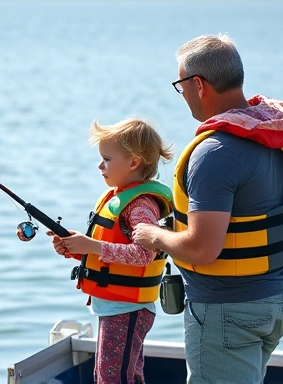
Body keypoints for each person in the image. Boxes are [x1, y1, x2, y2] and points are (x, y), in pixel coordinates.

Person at [132, 33, 283, 384]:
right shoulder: (270, 133)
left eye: (181, 86)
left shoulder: (214, 154)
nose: (183, 96)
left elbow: (202, 248)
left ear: (198, 84)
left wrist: (154, 235)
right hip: (277, 300)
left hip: (228, 311)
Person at [48, 118, 174, 384]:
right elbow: (111, 253)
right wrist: (74, 248)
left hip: (126, 310)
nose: (99, 165)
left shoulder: (140, 206)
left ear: (133, 162)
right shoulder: (121, 197)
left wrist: (92, 246)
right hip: (116, 308)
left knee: (113, 378)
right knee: (121, 375)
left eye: (106, 159)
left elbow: (143, 254)